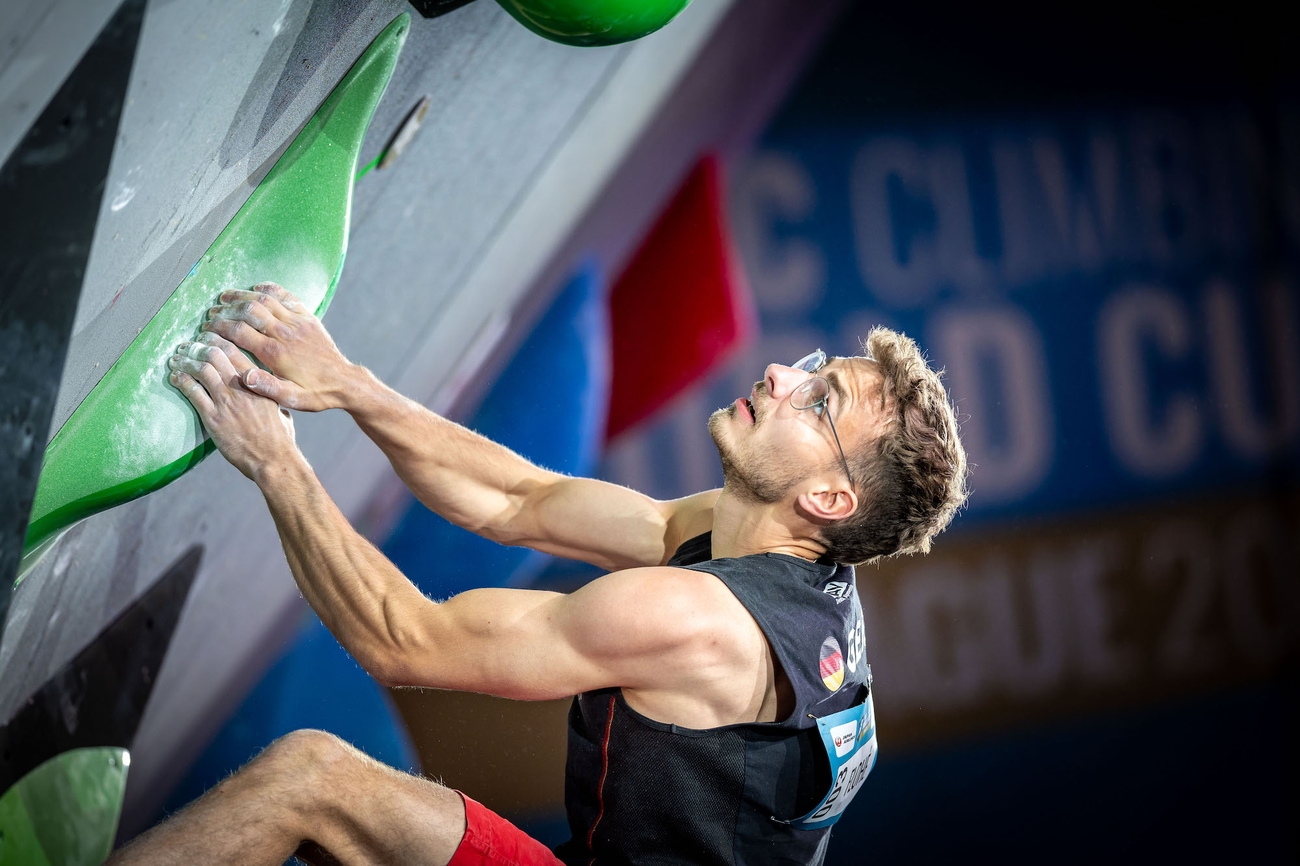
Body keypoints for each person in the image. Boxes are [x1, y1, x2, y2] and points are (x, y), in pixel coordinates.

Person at [109, 282, 967, 866]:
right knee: (318, 785)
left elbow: (406, 643)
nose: (784, 375)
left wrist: (275, 461)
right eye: (817, 371)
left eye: (819, 405)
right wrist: (351, 386)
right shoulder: (746, 541)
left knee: (313, 783)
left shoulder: (700, 623)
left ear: (827, 498)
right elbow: (518, 501)